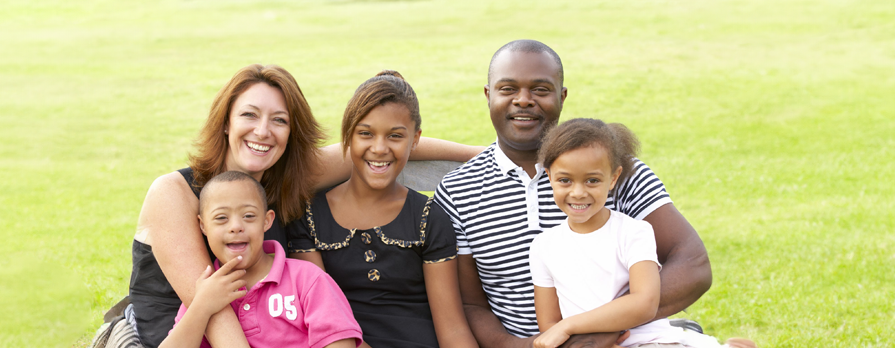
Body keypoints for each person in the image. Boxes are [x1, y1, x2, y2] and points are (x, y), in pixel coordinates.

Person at [122, 64, 481, 347]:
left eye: (279, 120)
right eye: (249, 115)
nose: (263, 132)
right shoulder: (173, 192)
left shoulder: (287, 180)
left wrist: (486, 155)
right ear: (226, 123)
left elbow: (381, 140)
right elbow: (214, 312)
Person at [433, 40, 714, 348]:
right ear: (488, 95)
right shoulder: (458, 190)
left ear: (562, 96)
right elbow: (471, 304)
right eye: (508, 89)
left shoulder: (611, 168)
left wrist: (597, 334)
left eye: (540, 89)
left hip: (629, 339)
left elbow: (693, 264)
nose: (523, 100)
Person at [287, 71, 477, 348]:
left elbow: (453, 330)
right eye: (365, 133)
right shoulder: (309, 218)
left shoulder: (428, 218)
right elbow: (326, 322)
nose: (379, 148)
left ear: (415, 140)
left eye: (395, 136)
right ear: (347, 135)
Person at [528, 119, 754, 348]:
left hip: (648, 341)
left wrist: (570, 326)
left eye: (592, 180)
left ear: (613, 178)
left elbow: (644, 302)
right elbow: (549, 323)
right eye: (565, 180)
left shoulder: (633, 232)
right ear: (549, 176)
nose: (578, 192)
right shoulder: (543, 246)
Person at [163, 171, 363, 348]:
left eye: (249, 216)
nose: (235, 226)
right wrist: (201, 306)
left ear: (266, 221)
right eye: (221, 218)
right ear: (203, 226)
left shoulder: (307, 279)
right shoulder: (206, 291)